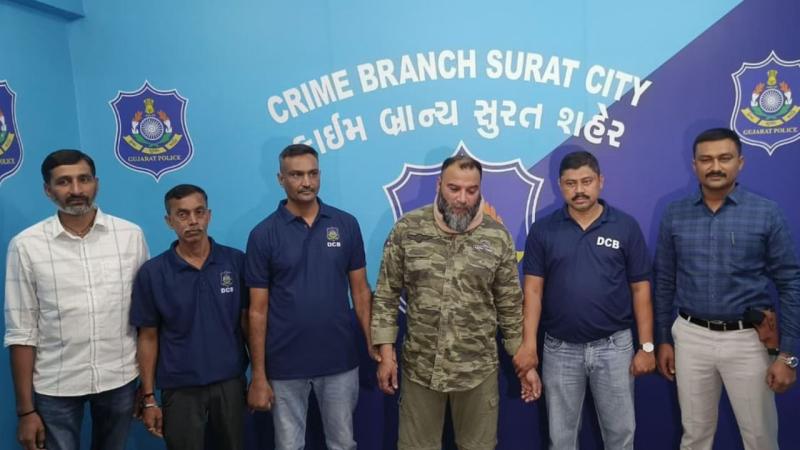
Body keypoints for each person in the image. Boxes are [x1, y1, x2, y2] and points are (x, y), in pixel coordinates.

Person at [371, 154, 541, 450]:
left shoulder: (496, 236)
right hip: (420, 369)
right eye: (454, 188)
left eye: (471, 190)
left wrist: (524, 365)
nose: (462, 198)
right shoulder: (408, 229)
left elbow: (510, 306)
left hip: (477, 371)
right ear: (439, 185)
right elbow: (386, 294)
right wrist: (386, 354)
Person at [654, 127, 800, 450]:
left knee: (760, 438)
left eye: (724, 158)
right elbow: (664, 281)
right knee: (695, 437)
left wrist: (789, 355)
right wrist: (663, 339)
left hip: (748, 340)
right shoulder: (674, 214)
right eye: (706, 160)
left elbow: (791, 284)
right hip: (690, 338)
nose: (715, 167)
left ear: (740, 162)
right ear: (694, 165)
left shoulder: (766, 212)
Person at [4, 149, 148, 450]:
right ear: (48, 190)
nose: (76, 190)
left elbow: (146, 316)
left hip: (120, 377)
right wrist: (26, 411)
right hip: (56, 384)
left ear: (96, 183)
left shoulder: (130, 236)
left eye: (84, 179)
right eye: (64, 182)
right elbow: (21, 331)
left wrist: (147, 389)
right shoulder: (26, 246)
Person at [517, 150, 655, 450]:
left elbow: (641, 289)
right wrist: (528, 345)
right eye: (571, 183)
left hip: (615, 347)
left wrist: (647, 347)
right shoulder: (543, 230)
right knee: (561, 439)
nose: (579, 190)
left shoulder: (625, 226)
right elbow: (533, 291)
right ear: (559, 185)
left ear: (600, 181)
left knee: (621, 435)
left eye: (586, 181)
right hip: (560, 349)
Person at [244, 143, 373, 450]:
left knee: (343, 444)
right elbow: (257, 311)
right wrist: (258, 374)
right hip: (284, 364)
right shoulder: (263, 234)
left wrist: (371, 342)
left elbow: (360, 291)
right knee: (289, 446)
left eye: (313, 173)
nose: (307, 182)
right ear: (281, 179)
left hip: (340, 360)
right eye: (297, 175)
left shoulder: (345, 224)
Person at [130, 184, 249, 449]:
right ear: (169, 221)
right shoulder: (153, 273)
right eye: (182, 215)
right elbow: (147, 337)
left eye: (199, 212)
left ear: (209, 215)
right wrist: (148, 397)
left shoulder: (236, 262)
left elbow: (248, 324)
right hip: (179, 387)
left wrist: (261, 376)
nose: (193, 221)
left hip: (230, 382)